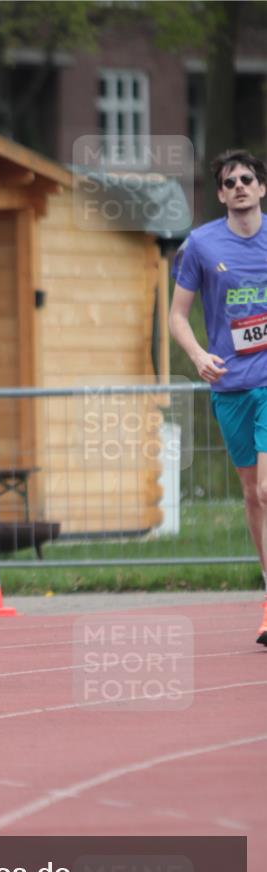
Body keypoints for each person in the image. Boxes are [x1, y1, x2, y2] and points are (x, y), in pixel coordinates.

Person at [169, 149, 267, 642]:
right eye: (230, 182)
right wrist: (198, 355)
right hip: (229, 383)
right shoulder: (201, 245)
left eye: (248, 179)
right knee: (252, 494)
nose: (240, 187)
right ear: (221, 194)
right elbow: (177, 316)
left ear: (262, 187)